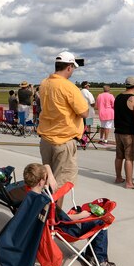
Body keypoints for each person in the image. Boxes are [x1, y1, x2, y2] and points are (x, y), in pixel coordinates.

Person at [22, 163, 115, 266]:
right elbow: (60, 221)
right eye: (46, 177)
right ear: (41, 181)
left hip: (59, 225)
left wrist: (50, 176)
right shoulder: (47, 202)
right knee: (100, 222)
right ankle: (100, 259)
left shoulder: (31, 194)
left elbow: (46, 165)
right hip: (67, 230)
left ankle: (91, 257)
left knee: (79, 210)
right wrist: (81, 216)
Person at [37, 52, 89, 187]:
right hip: (63, 140)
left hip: (46, 139)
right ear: (69, 67)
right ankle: (55, 209)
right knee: (60, 185)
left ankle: (46, 207)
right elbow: (84, 113)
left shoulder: (44, 83)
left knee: (47, 182)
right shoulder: (69, 86)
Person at [113, 77, 134, 189]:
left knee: (119, 156)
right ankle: (129, 182)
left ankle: (118, 177)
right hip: (130, 133)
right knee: (129, 157)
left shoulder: (118, 97)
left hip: (118, 131)